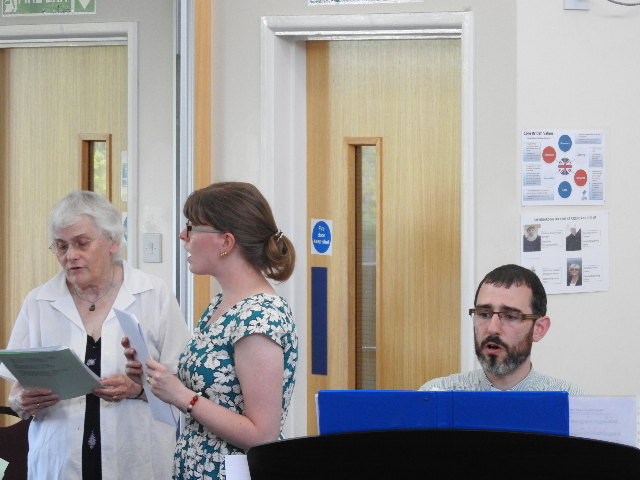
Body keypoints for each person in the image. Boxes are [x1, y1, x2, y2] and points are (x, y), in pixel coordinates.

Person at [0, 191, 190, 480]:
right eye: (61, 246)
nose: (70, 256)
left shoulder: (153, 294)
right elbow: (17, 388)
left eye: (82, 243)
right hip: (59, 461)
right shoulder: (39, 301)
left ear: (113, 242)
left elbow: (183, 383)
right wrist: (22, 402)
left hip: (137, 458)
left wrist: (138, 390)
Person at [124, 182, 298, 480]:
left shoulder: (260, 317)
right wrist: (151, 382)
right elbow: (213, 396)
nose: (183, 235)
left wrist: (182, 396)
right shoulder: (222, 303)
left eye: (192, 227)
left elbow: (262, 435)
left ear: (226, 241)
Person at [419, 264, 585, 394]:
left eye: (510, 316)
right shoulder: (436, 395)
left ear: (539, 328)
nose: (492, 328)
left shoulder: (572, 402)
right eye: (484, 314)